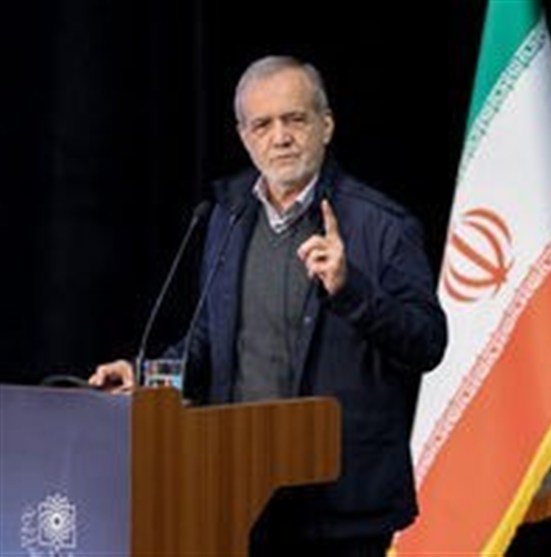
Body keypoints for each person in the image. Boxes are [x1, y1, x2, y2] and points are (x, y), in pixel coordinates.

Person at [89, 55, 447, 556]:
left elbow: (428, 342)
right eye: (263, 124)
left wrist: (351, 289)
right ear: (244, 136)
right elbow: (211, 338)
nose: (280, 137)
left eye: (295, 119)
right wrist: (144, 375)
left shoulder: (382, 224)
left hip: (340, 504)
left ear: (326, 125)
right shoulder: (228, 216)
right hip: (239, 495)